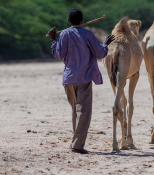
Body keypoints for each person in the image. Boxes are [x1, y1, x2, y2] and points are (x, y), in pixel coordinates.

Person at [48, 8, 115, 154]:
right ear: (82, 20)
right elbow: (99, 53)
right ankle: (77, 145)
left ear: (68, 21)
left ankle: (75, 142)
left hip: (69, 79)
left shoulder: (64, 34)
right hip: (84, 78)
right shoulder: (88, 34)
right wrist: (105, 43)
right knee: (83, 113)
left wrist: (53, 39)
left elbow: (59, 54)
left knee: (76, 111)